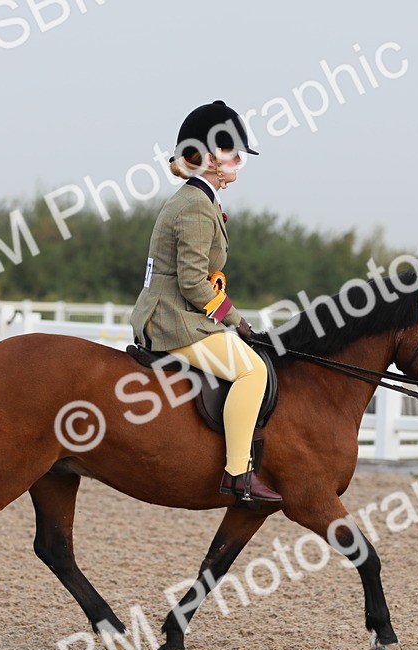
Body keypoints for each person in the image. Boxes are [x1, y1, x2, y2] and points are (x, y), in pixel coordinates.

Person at [129, 100, 282, 503]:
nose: (238, 161)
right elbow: (194, 283)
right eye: (232, 152)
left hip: (177, 312)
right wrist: (234, 319)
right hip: (171, 319)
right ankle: (238, 475)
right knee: (252, 372)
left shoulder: (201, 199)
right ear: (212, 157)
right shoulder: (196, 205)